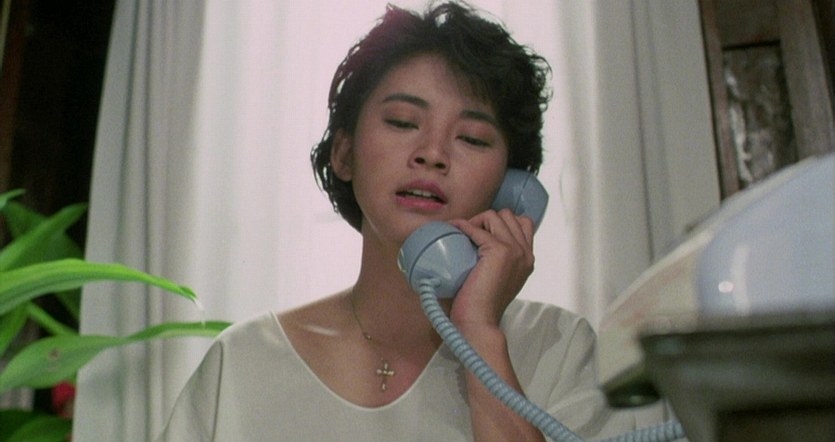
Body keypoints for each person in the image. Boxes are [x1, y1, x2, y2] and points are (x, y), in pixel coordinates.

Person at [157, 2, 674, 441]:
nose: (432, 153)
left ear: (512, 186)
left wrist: (480, 333)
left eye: (471, 138)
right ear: (344, 153)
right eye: (403, 122)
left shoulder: (560, 351)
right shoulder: (242, 364)